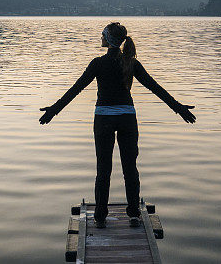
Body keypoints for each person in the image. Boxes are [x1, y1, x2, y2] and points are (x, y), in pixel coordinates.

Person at [39, 21, 195, 228]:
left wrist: (54, 110)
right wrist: (179, 108)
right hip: (127, 119)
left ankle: (100, 216)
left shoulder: (97, 63)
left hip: (103, 119)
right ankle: (133, 214)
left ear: (108, 39)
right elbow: (155, 87)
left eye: (103, 35)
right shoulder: (131, 63)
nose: (100, 38)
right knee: (130, 168)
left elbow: (75, 89)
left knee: (103, 169)